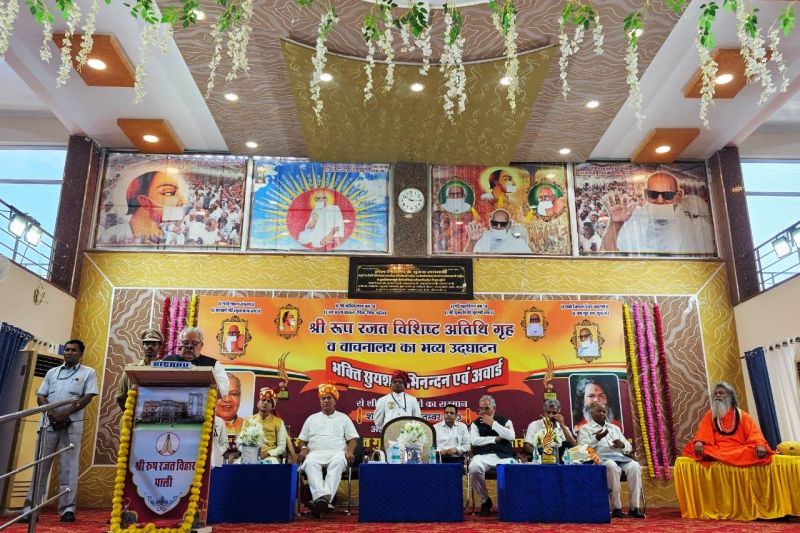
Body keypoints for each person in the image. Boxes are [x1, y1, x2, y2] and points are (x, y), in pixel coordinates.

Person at [21, 340, 98, 523]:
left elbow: (88, 396)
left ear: (81, 354)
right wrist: (52, 414)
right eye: (67, 350)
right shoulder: (52, 372)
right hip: (48, 424)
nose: (69, 353)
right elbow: (41, 395)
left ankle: (67, 510)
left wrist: (64, 415)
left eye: (74, 350)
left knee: (68, 468)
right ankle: (30, 510)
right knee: (40, 466)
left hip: (71, 426)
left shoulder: (88, 372)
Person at [600, 171, 714, 253]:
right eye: (653, 194)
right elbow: (607, 258)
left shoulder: (695, 225)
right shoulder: (634, 219)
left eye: (667, 195)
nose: (660, 201)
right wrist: (616, 224)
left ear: (678, 196)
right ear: (646, 195)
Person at [297, 384, 358, 518]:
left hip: (337, 453)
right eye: (323, 398)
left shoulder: (343, 418)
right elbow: (302, 440)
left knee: (338, 462)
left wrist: (349, 451)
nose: (326, 401)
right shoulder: (312, 418)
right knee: (310, 463)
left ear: (335, 400)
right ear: (320, 401)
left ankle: (320, 501)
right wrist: (303, 448)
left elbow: (353, 439)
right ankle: (324, 501)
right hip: (315, 453)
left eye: (329, 398)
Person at [578, 402, 645, 519]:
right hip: (602, 459)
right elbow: (582, 449)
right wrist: (597, 438)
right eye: (599, 411)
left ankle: (635, 507)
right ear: (591, 413)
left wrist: (622, 445)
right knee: (611, 465)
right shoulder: (585, 429)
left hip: (620, 457)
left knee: (634, 466)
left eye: (604, 411)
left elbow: (628, 447)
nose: (602, 413)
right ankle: (616, 508)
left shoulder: (614, 428)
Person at [682, 382, 774, 466]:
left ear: (730, 396)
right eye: (715, 394)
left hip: (738, 449)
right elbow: (703, 432)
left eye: (721, 393)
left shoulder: (742, 415)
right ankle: (726, 457)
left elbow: (754, 433)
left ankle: (720, 457)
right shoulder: (710, 415)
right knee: (692, 447)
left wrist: (759, 444)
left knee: (754, 450)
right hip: (717, 449)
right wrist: (699, 442)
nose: (717, 395)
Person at [469, 395, 516, 516]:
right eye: (481, 409)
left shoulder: (506, 421)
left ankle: (508, 502)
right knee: (474, 467)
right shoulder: (475, 424)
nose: (483, 411)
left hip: (504, 456)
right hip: (483, 456)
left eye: (486, 408)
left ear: (494, 408)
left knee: (512, 468)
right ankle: (485, 501)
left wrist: (493, 424)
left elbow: (511, 436)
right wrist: (494, 439)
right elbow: (474, 441)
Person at [163, 327, 229, 396]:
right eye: (186, 342)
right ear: (180, 344)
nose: (189, 346)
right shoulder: (168, 361)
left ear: (201, 346)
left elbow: (223, 390)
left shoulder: (213, 364)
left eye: (194, 343)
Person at [126, 171, 188, 244]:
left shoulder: (168, 236)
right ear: (144, 201)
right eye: (169, 193)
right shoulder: (121, 233)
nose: (183, 201)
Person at [115, 328, 163, 410]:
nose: (149, 347)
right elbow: (120, 396)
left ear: (159, 347)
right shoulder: (131, 369)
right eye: (147, 344)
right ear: (142, 346)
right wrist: (131, 412)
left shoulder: (164, 370)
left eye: (153, 344)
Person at [245, 387, 288, 463]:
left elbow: (282, 447)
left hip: (270, 456)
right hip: (250, 454)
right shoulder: (248, 420)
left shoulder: (278, 422)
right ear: (258, 404)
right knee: (238, 465)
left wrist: (268, 453)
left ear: (272, 407)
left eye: (269, 401)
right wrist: (249, 452)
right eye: (263, 400)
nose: (265, 403)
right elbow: (240, 443)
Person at [464, 208, 532, 254]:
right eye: (495, 223)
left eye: (503, 224)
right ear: (490, 223)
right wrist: (472, 241)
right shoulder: (483, 237)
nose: (498, 227)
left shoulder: (517, 242)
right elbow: (466, 260)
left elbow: (529, 263)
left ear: (509, 224)